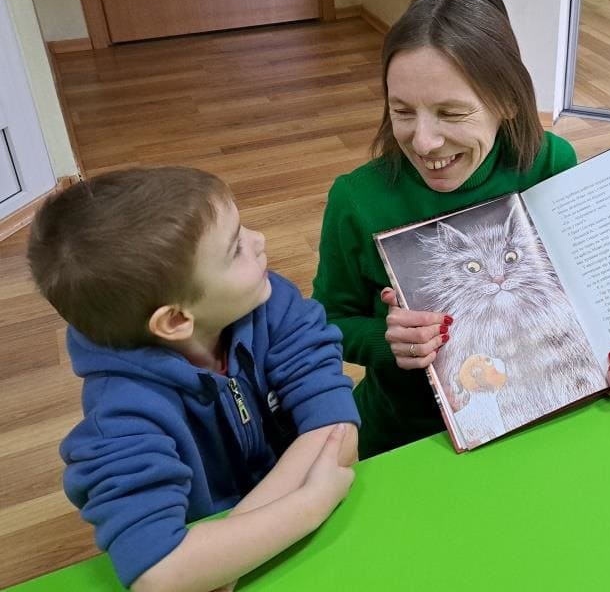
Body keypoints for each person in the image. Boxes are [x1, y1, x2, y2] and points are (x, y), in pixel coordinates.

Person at [313, 0, 610, 459]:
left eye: (451, 112)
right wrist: (384, 340)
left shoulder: (550, 162)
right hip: (409, 439)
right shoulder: (356, 200)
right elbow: (324, 324)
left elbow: (587, 291)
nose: (424, 141)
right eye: (401, 111)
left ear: (508, 102)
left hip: (544, 420)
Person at [27, 167, 361, 591]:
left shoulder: (271, 303)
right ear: (176, 320)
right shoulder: (119, 417)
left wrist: (224, 559)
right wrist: (310, 505)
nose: (260, 240)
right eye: (235, 248)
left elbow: (337, 432)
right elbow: (159, 574)